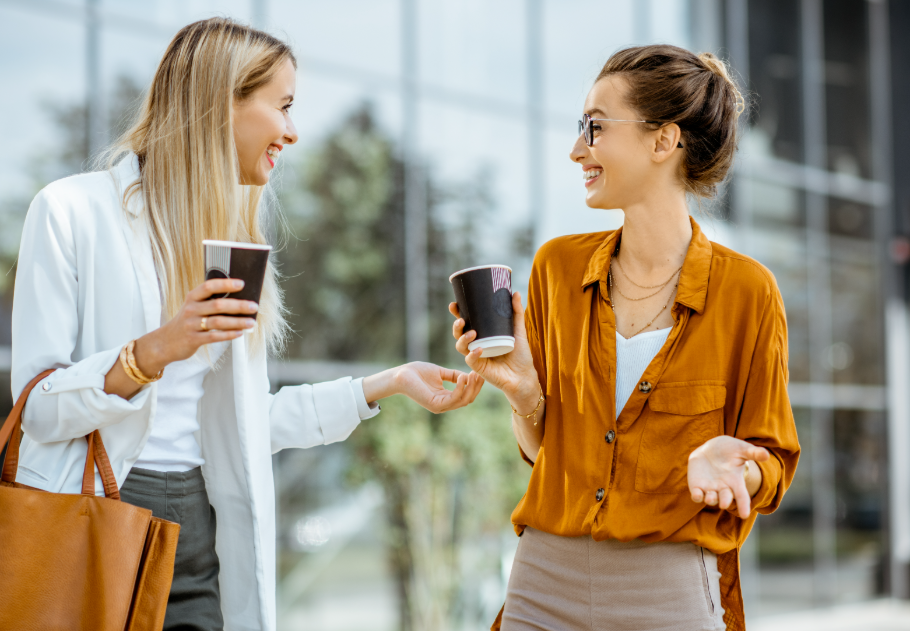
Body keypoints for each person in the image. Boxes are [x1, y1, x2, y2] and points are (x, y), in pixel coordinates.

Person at [11, 17, 482, 631]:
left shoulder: (231, 244)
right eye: (283, 106)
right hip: (95, 518)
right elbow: (39, 410)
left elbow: (244, 424)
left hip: (199, 531)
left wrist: (385, 384)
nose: (292, 130)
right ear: (221, 100)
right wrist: (152, 352)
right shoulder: (70, 212)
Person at [451, 44, 800, 631]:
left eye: (595, 126)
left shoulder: (747, 291)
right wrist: (523, 392)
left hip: (668, 594)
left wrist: (735, 471)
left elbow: (772, 463)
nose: (576, 148)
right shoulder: (556, 270)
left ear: (663, 141)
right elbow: (544, 453)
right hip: (544, 580)